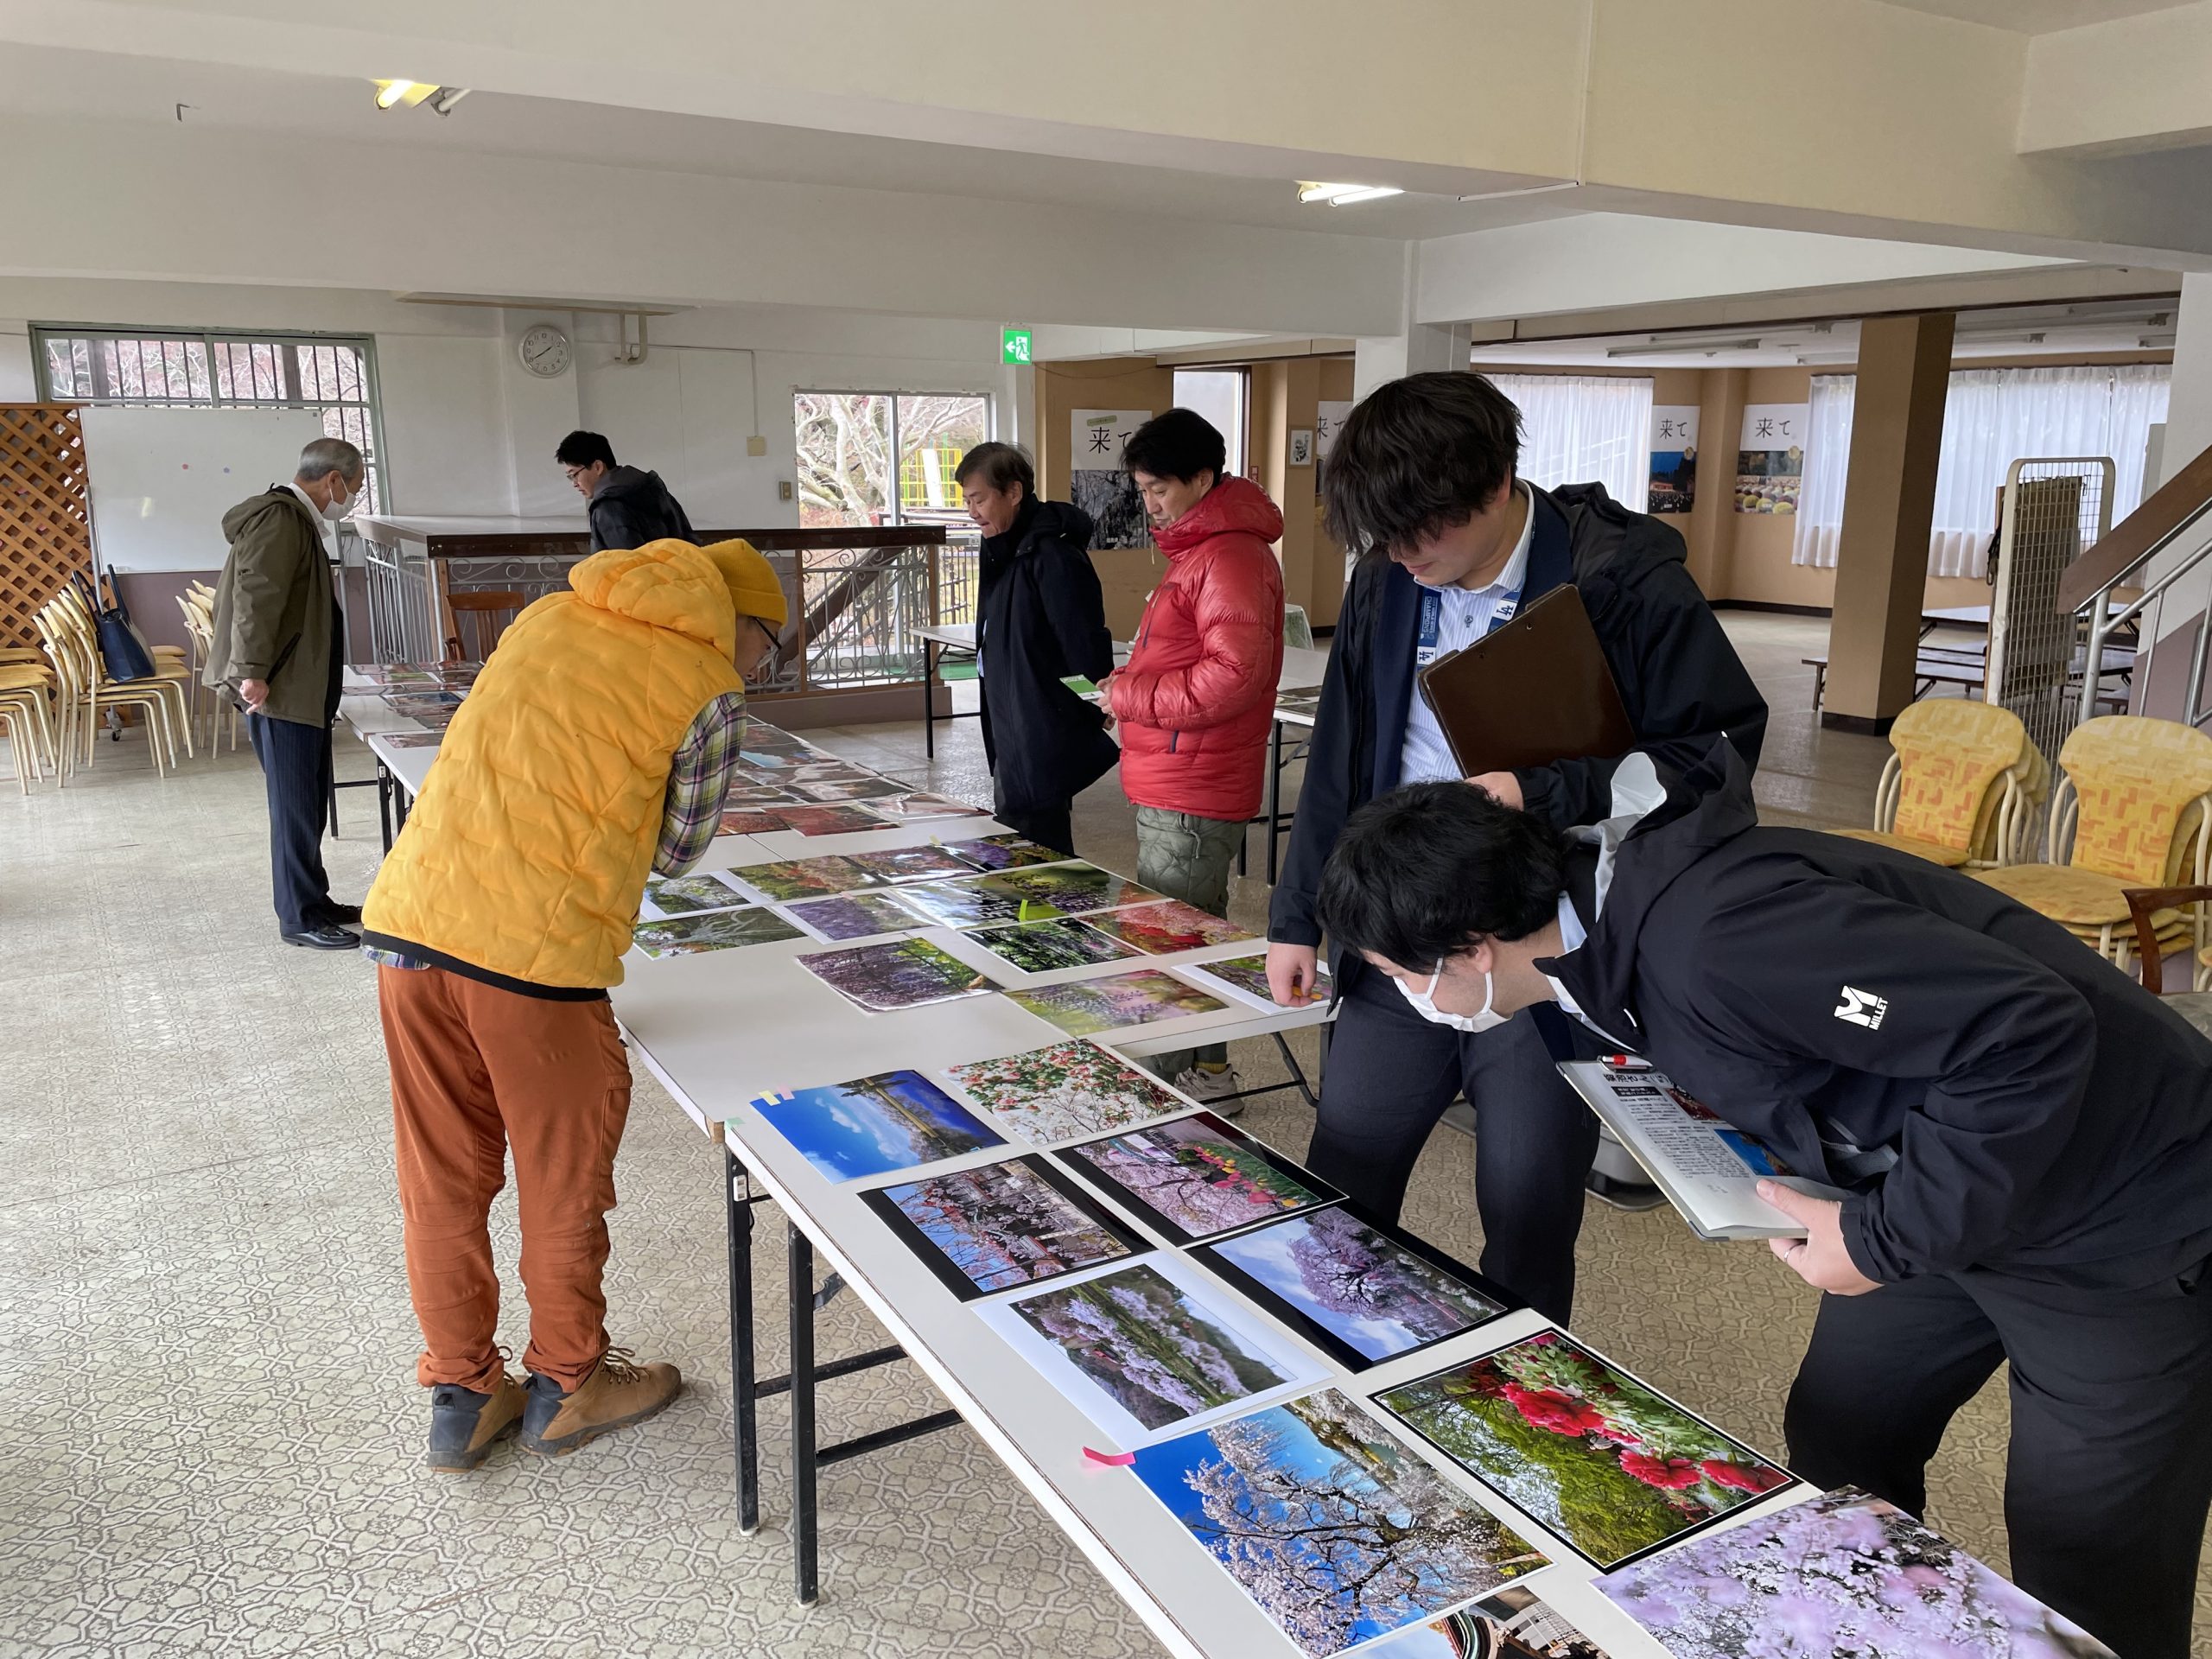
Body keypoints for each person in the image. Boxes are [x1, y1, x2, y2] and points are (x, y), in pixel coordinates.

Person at [1314, 746, 2212, 1659]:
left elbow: (2027, 1034)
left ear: (1473, 947)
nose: (1408, 998)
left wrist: (1880, 1241)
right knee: (1844, 1428)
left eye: (1401, 974)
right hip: (1936, 1175)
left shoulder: (1721, 937)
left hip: (2115, 1205)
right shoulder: (1597, 927)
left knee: (2085, 1548)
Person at [1266, 372, 1766, 1323]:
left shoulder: (1625, 581)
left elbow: (1716, 759)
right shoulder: (1387, 577)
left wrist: (1544, 790)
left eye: (1423, 534)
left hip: (1543, 948)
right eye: (1385, 539)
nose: (1404, 557)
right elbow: (1341, 754)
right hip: (1400, 930)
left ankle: (1517, 1383)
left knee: (1528, 1207)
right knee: (1343, 1177)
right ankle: (1324, 1356)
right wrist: (1298, 916)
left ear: (1496, 485)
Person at [358, 537, 787, 1471]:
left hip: (409, 925)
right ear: (741, 623)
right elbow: (676, 853)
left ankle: (463, 1396)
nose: (762, 666)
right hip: (532, 960)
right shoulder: (710, 687)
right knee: (562, 1181)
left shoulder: (550, 616)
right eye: (769, 645)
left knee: (440, 1178)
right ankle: (570, 1382)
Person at [1107, 409, 1284, 1103]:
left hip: (1194, 782)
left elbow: (1231, 677)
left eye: (1159, 489)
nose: (1150, 504)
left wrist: (1130, 695)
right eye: (1143, 490)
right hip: (1182, 774)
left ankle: (1160, 1095)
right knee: (1193, 930)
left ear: (1202, 479)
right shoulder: (1205, 551)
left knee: (1168, 940)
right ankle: (1209, 1075)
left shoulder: (1229, 556)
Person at [203, 436, 366, 950]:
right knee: (294, 806)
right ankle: (298, 917)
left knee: (309, 802)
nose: (351, 498)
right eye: (354, 487)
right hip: (280, 689)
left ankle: (314, 899)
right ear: (333, 480)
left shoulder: (295, 520)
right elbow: (256, 596)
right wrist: (251, 670)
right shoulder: (280, 520)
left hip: (299, 686)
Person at [957, 442, 1117, 857]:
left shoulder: (1052, 555)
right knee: (1019, 836)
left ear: (1013, 492)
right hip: (1010, 717)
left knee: (1039, 843)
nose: (972, 512)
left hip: (1039, 724)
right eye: (967, 501)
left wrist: (1094, 705)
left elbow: (1080, 644)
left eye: (979, 499)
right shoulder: (1002, 547)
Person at [556, 430, 697, 552]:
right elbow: (690, 542)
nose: (574, 483)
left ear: (598, 467)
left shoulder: (608, 508)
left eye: (574, 474)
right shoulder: (654, 489)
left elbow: (627, 567)